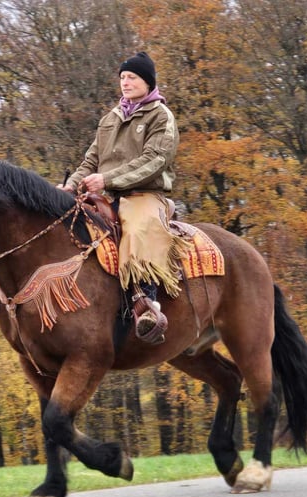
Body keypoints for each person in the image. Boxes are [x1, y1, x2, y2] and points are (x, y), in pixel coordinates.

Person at [59, 51, 187, 344]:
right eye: (122, 78)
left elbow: (153, 161)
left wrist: (107, 180)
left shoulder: (161, 116)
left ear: (147, 82)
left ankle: (147, 303)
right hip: (108, 194)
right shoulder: (110, 118)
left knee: (138, 228)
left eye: (132, 77)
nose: (125, 83)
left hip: (146, 194)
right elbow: (91, 159)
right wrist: (72, 185)